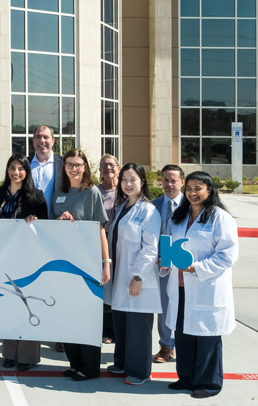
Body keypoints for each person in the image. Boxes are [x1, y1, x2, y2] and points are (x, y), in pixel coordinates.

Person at [160, 171, 239, 399]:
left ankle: (208, 383)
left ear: (209, 191)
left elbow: (227, 254)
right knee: (184, 335)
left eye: (198, 189)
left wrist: (198, 268)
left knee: (206, 336)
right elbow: (171, 246)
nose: (193, 193)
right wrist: (164, 260)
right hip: (181, 286)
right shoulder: (179, 216)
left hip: (206, 287)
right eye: (190, 189)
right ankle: (185, 378)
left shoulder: (220, 218)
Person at [49, 148, 111, 381]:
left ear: (85, 167)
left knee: (86, 317)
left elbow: (100, 228)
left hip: (87, 262)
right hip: (63, 262)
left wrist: (106, 263)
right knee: (67, 315)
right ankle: (75, 364)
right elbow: (52, 226)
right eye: (69, 164)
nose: (73, 168)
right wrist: (59, 220)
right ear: (63, 168)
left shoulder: (92, 192)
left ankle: (90, 367)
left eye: (78, 164)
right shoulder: (58, 192)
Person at [105, 162, 162, 386]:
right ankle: (122, 364)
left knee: (138, 327)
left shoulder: (148, 210)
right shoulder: (122, 207)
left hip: (137, 279)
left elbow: (150, 247)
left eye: (133, 180)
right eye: (124, 180)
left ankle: (139, 372)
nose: (128, 184)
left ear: (142, 182)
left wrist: (138, 277)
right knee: (122, 323)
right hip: (120, 276)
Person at [0, 154, 49, 371]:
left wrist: (35, 222)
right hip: (3, 258)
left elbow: (46, 229)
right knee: (7, 305)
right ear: (7, 170)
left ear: (27, 171)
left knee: (27, 306)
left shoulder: (36, 196)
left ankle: (27, 356)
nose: (16, 172)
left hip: (28, 259)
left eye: (20, 168)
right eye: (12, 168)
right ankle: (9, 353)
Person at [152, 164, 185, 364]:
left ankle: (184, 343)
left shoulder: (190, 206)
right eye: (166, 180)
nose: (169, 184)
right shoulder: (153, 205)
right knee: (163, 307)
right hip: (159, 265)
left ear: (182, 182)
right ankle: (166, 346)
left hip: (183, 267)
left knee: (183, 306)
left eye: (174, 180)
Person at [95, 153, 121, 343]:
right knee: (103, 285)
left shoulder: (124, 191)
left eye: (112, 165)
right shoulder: (95, 191)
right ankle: (105, 330)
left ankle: (116, 328)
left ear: (118, 168)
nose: (108, 168)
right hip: (100, 246)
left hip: (120, 245)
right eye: (104, 165)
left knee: (118, 286)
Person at [28, 125, 65, 218]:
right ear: (33, 141)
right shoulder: (24, 165)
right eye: (38, 137)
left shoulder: (63, 165)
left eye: (46, 137)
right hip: (28, 223)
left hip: (55, 223)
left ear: (53, 141)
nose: (42, 141)